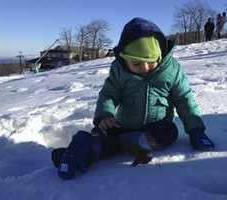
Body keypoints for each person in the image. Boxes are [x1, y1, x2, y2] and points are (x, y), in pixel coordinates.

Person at [52, 17, 215, 180]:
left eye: (151, 62)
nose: (144, 68)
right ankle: (90, 145)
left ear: (160, 55)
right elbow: (108, 94)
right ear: (125, 58)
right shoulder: (119, 71)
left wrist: (196, 129)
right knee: (106, 129)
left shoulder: (171, 70)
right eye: (137, 64)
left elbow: (184, 99)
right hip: (125, 125)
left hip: (155, 128)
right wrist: (105, 115)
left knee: (170, 132)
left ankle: (107, 146)